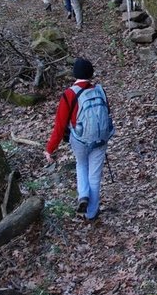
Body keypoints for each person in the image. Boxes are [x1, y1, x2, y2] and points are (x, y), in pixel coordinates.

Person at [44, 58, 112, 221]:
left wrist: (50, 149)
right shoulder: (100, 90)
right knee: (94, 176)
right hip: (100, 139)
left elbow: (60, 127)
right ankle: (92, 213)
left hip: (80, 140)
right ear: (91, 73)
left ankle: (83, 196)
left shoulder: (69, 94)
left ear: (75, 74)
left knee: (81, 164)